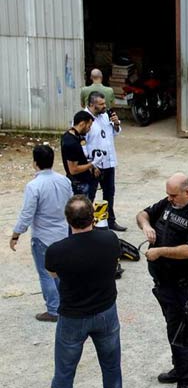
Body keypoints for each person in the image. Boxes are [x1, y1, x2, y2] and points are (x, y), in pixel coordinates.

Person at [136, 173, 188, 388]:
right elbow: (142, 214)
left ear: (187, 192)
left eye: (173, 195)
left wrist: (160, 251)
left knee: (185, 328)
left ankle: (186, 377)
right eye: (168, 195)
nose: (169, 199)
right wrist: (146, 226)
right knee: (173, 326)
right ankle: (181, 367)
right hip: (164, 282)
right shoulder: (168, 204)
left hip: (184, 285)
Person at [45, 195, 122, 388]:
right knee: (111, 368)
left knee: (64, 373)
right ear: (93, 216)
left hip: (73, 316)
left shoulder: (56, 250)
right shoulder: (111, 239)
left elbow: (53, 273)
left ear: (68, 219)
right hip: (106, 312)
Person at [10, 145, 72, 322]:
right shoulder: (64, 181)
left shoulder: (33, 186)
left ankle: (53, 309)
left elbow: (27, 214)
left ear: (34, 163)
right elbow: (71, 204)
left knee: (46, 274)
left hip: (43, 237)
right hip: (62, 233)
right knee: (61, 272)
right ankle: (64, 305)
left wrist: (16, 234)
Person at [84, 91, 126, 231]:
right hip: (94, 164)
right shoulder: (83, 119)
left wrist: (115, 124)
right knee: (90, 194)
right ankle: (88, 223)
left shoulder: (105, 115)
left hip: (108, 162)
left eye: (104, 103)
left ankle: (110, 220)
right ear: (91, 104)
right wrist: (90, 163)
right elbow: (82, 144)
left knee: (109, 192)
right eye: (101, 104)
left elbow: (114, 133)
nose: (104, 106)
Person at [61, 111, 103, 195]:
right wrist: (92, 164)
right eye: (89, 126)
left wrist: (92, 167)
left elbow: (81, 156)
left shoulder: (75, 136)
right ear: (82, 124)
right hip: (79, 184)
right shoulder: (71, 143)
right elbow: (73, 169)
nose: (89, 129)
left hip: (83, 181)